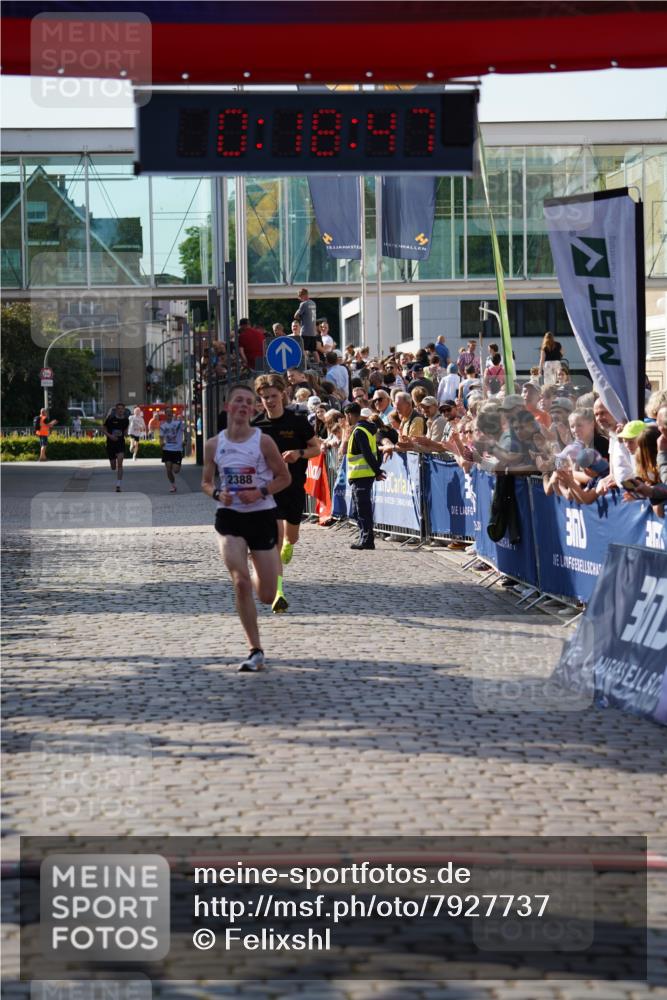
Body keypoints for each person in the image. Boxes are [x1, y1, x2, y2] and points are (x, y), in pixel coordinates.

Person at [201, 383, 291, 672]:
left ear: (253, 410)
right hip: (229, 517)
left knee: (266, 595)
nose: (243, 405)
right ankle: (255, 649)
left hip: (262, 516)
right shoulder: (214, 445)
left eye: (248, 402)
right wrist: (217, 494)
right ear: (228, 407)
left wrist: (262, 492)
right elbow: (206, 481)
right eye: (238, 401)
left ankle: (259, 567)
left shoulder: (263, 442)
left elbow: (283, 477)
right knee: (239, 582)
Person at [253, 373, 321, 613]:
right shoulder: (256, 426)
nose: (269, 401)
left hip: (293, 488)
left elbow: (317, 448)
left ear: (282, 395)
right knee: (275, 540)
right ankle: (279, 593)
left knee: (291, 537)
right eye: (264, 398)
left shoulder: (298, 421)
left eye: (273, 396)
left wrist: (298, 454)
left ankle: (290, 543)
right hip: (268, 491)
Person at [343, 401, 386, 550]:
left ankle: (367, 540)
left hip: (361, 475)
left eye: (346, 416)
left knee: (362, 510)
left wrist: (377, 471)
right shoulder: (367, 430)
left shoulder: (359, 431)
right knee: (358, 510)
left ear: (349, 415)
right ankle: (364, 537)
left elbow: (367, 453)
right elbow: (375, 451)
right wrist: (376, 470)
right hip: (363, 475)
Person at [103, 402, 129, 492]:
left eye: (122, 409)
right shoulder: (110, 419)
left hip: (120, 443)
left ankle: (118, 485)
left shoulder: (126, 420)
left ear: (124, 410)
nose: (121, 410)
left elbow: (125, 431)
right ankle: (113, 463)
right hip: (110, 444)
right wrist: (110, 436)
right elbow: (103, 429)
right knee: (113, 467)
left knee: (120, 463)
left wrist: (127, 434)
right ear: (116, 410)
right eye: (119, 409)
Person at [160, 406, 185, 492]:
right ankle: (173, 485)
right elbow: (161, 436)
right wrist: (161, 443)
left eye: (171, 412)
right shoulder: (163, 425)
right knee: (168, 469)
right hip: (167, 449)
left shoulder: (178, 423)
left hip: (177, 449)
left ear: (172, 414)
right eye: (168, 412)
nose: (169, 413)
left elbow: (185, 431)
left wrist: (185, 440)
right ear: (165, 414)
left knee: (176, 470)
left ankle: (178, 465)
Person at [294, 288, 320, 354]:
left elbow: (296, 316)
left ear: (302, 296)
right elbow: (312, 316)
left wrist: (299, 314)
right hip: (313, 332)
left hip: (305, 331)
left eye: (299, 296)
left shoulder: (303, 304)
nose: (299, 298)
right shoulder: (313, 303)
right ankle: (318, 363)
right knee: (313, 350)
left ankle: (304, 363)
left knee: (303, 350)